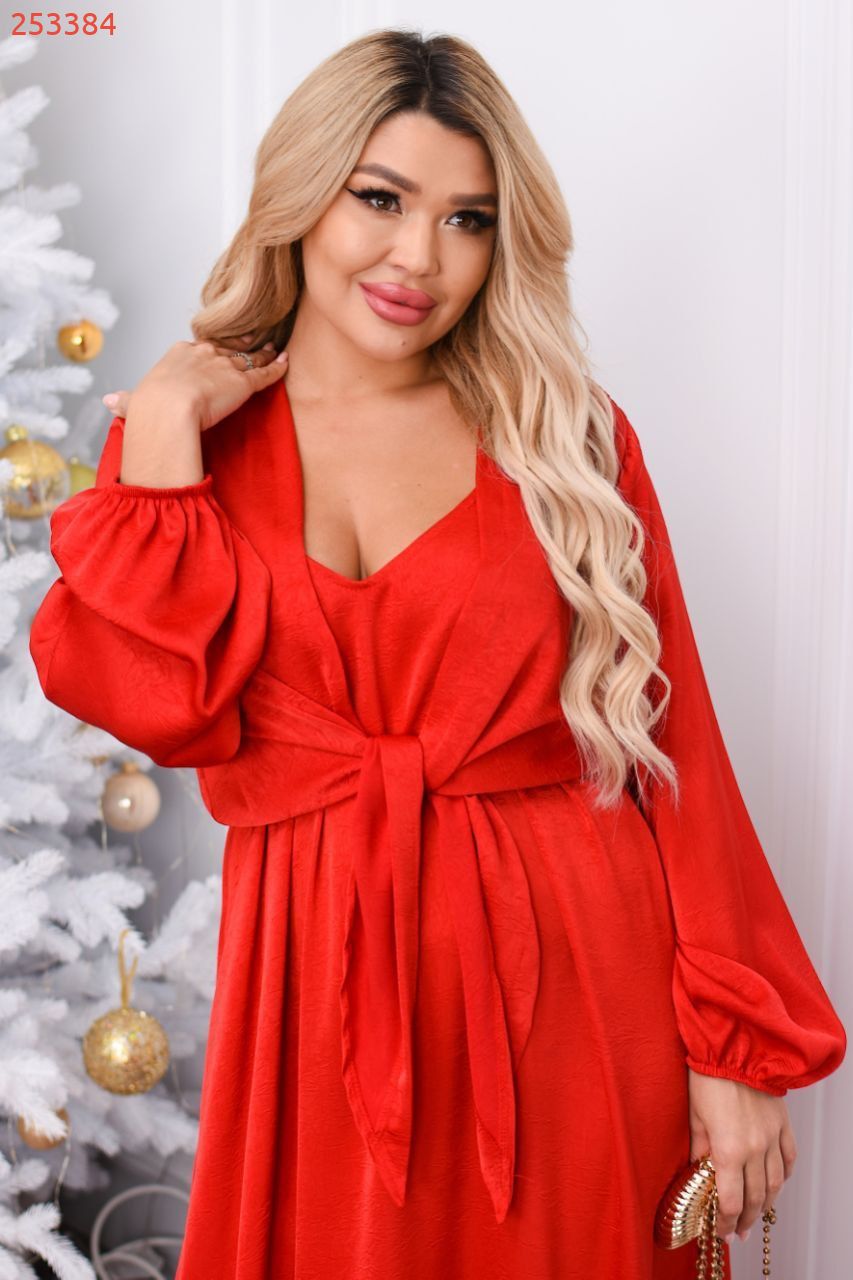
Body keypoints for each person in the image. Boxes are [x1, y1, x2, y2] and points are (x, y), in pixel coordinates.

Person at [29, 27, 846, 1280]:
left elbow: (672, 741)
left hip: (569, 981)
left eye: (467, 219)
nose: (419, 256)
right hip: (311, 989)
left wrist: (729, 1046)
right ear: (303, 196)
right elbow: (162, 707)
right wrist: (171, 429)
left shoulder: (562, 436)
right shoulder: (190, 452)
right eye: (380, 199)